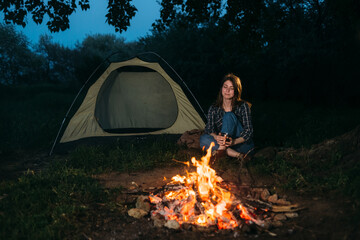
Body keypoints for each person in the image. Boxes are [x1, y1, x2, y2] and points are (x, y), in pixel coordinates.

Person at [200, 73, 254, 161]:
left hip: (241, 145)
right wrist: (216, 137)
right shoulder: (214, 108)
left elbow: (249, 132)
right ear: (221, 88)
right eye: (225, 87)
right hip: (227, 145)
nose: (227, 91)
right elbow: (209, 129)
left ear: (236, 91)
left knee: (228, 115)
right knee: (203, 139)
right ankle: (238, 155)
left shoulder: (243, 106)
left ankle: (221, 150)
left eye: (231, 88)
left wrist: (233, 142)